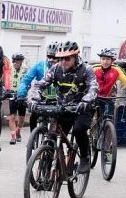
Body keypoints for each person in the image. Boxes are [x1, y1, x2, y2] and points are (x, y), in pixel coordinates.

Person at [28, 40, 97, 173]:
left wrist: (86, 100)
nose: (63, 62)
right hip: (63, 108)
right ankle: (47, 169)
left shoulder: (86, 70)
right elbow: (40, 84)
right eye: (60, 59)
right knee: (52, 136)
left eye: (67, 58)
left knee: (78, 130)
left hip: (82, 108)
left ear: (76, 57)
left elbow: (93, 88)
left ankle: (85, 157)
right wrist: (34, 99)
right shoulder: (55, 69)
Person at [18, 42, 59, 131]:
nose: (51, 59)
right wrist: (21, 93)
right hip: (41, 97)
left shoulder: (64, 67)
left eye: (55, 57)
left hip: (58, 99)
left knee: (57, 124)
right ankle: (32, 141)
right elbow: (26, 80)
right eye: (49, 56)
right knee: (33, 115)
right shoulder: (39, 66)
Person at [93, 48, 126, 117]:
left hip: (106, 98)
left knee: (108, 117)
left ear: (112, 61)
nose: (105, 62)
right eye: (103, 59)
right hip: (93, 97)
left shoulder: (117, 70)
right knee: (91, 119)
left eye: (108, 59)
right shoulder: (94, 68)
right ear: (100, 60)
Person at [8, 53, 29, 144]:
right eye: (16, 61)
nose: (18, 62)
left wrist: (26, 91)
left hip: (22, 95)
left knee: (21, 117)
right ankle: (13, 137)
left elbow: (29, 81)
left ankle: (18, 131)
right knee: (12, 116)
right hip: (12, 93)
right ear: (13, 61)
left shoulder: (25, 69)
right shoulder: (9, 69)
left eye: (20, 61)